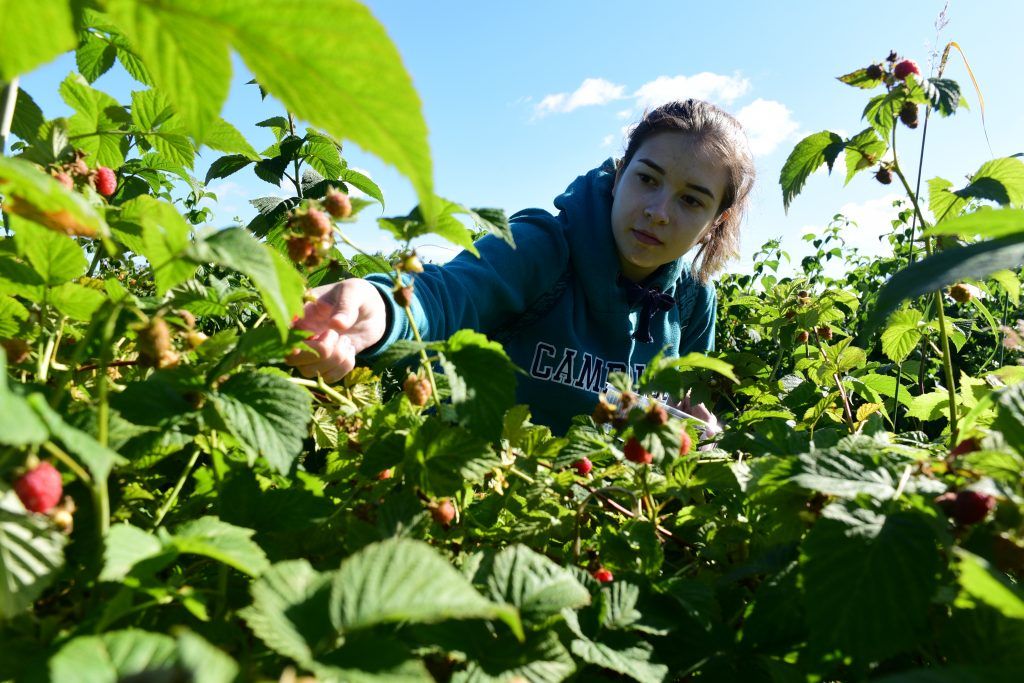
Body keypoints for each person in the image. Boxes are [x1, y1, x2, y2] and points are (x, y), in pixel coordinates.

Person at [286, 99, 755, 434]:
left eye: (691, 200)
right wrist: (380, 306)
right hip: (475, 493)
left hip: (586, 520)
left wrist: (698, 434)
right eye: (647, 178)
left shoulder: (693, 303)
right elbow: (450, 295)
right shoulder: (541, 246)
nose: (658, 210)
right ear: (618, 176)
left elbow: (678, 410)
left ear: (717, 221)